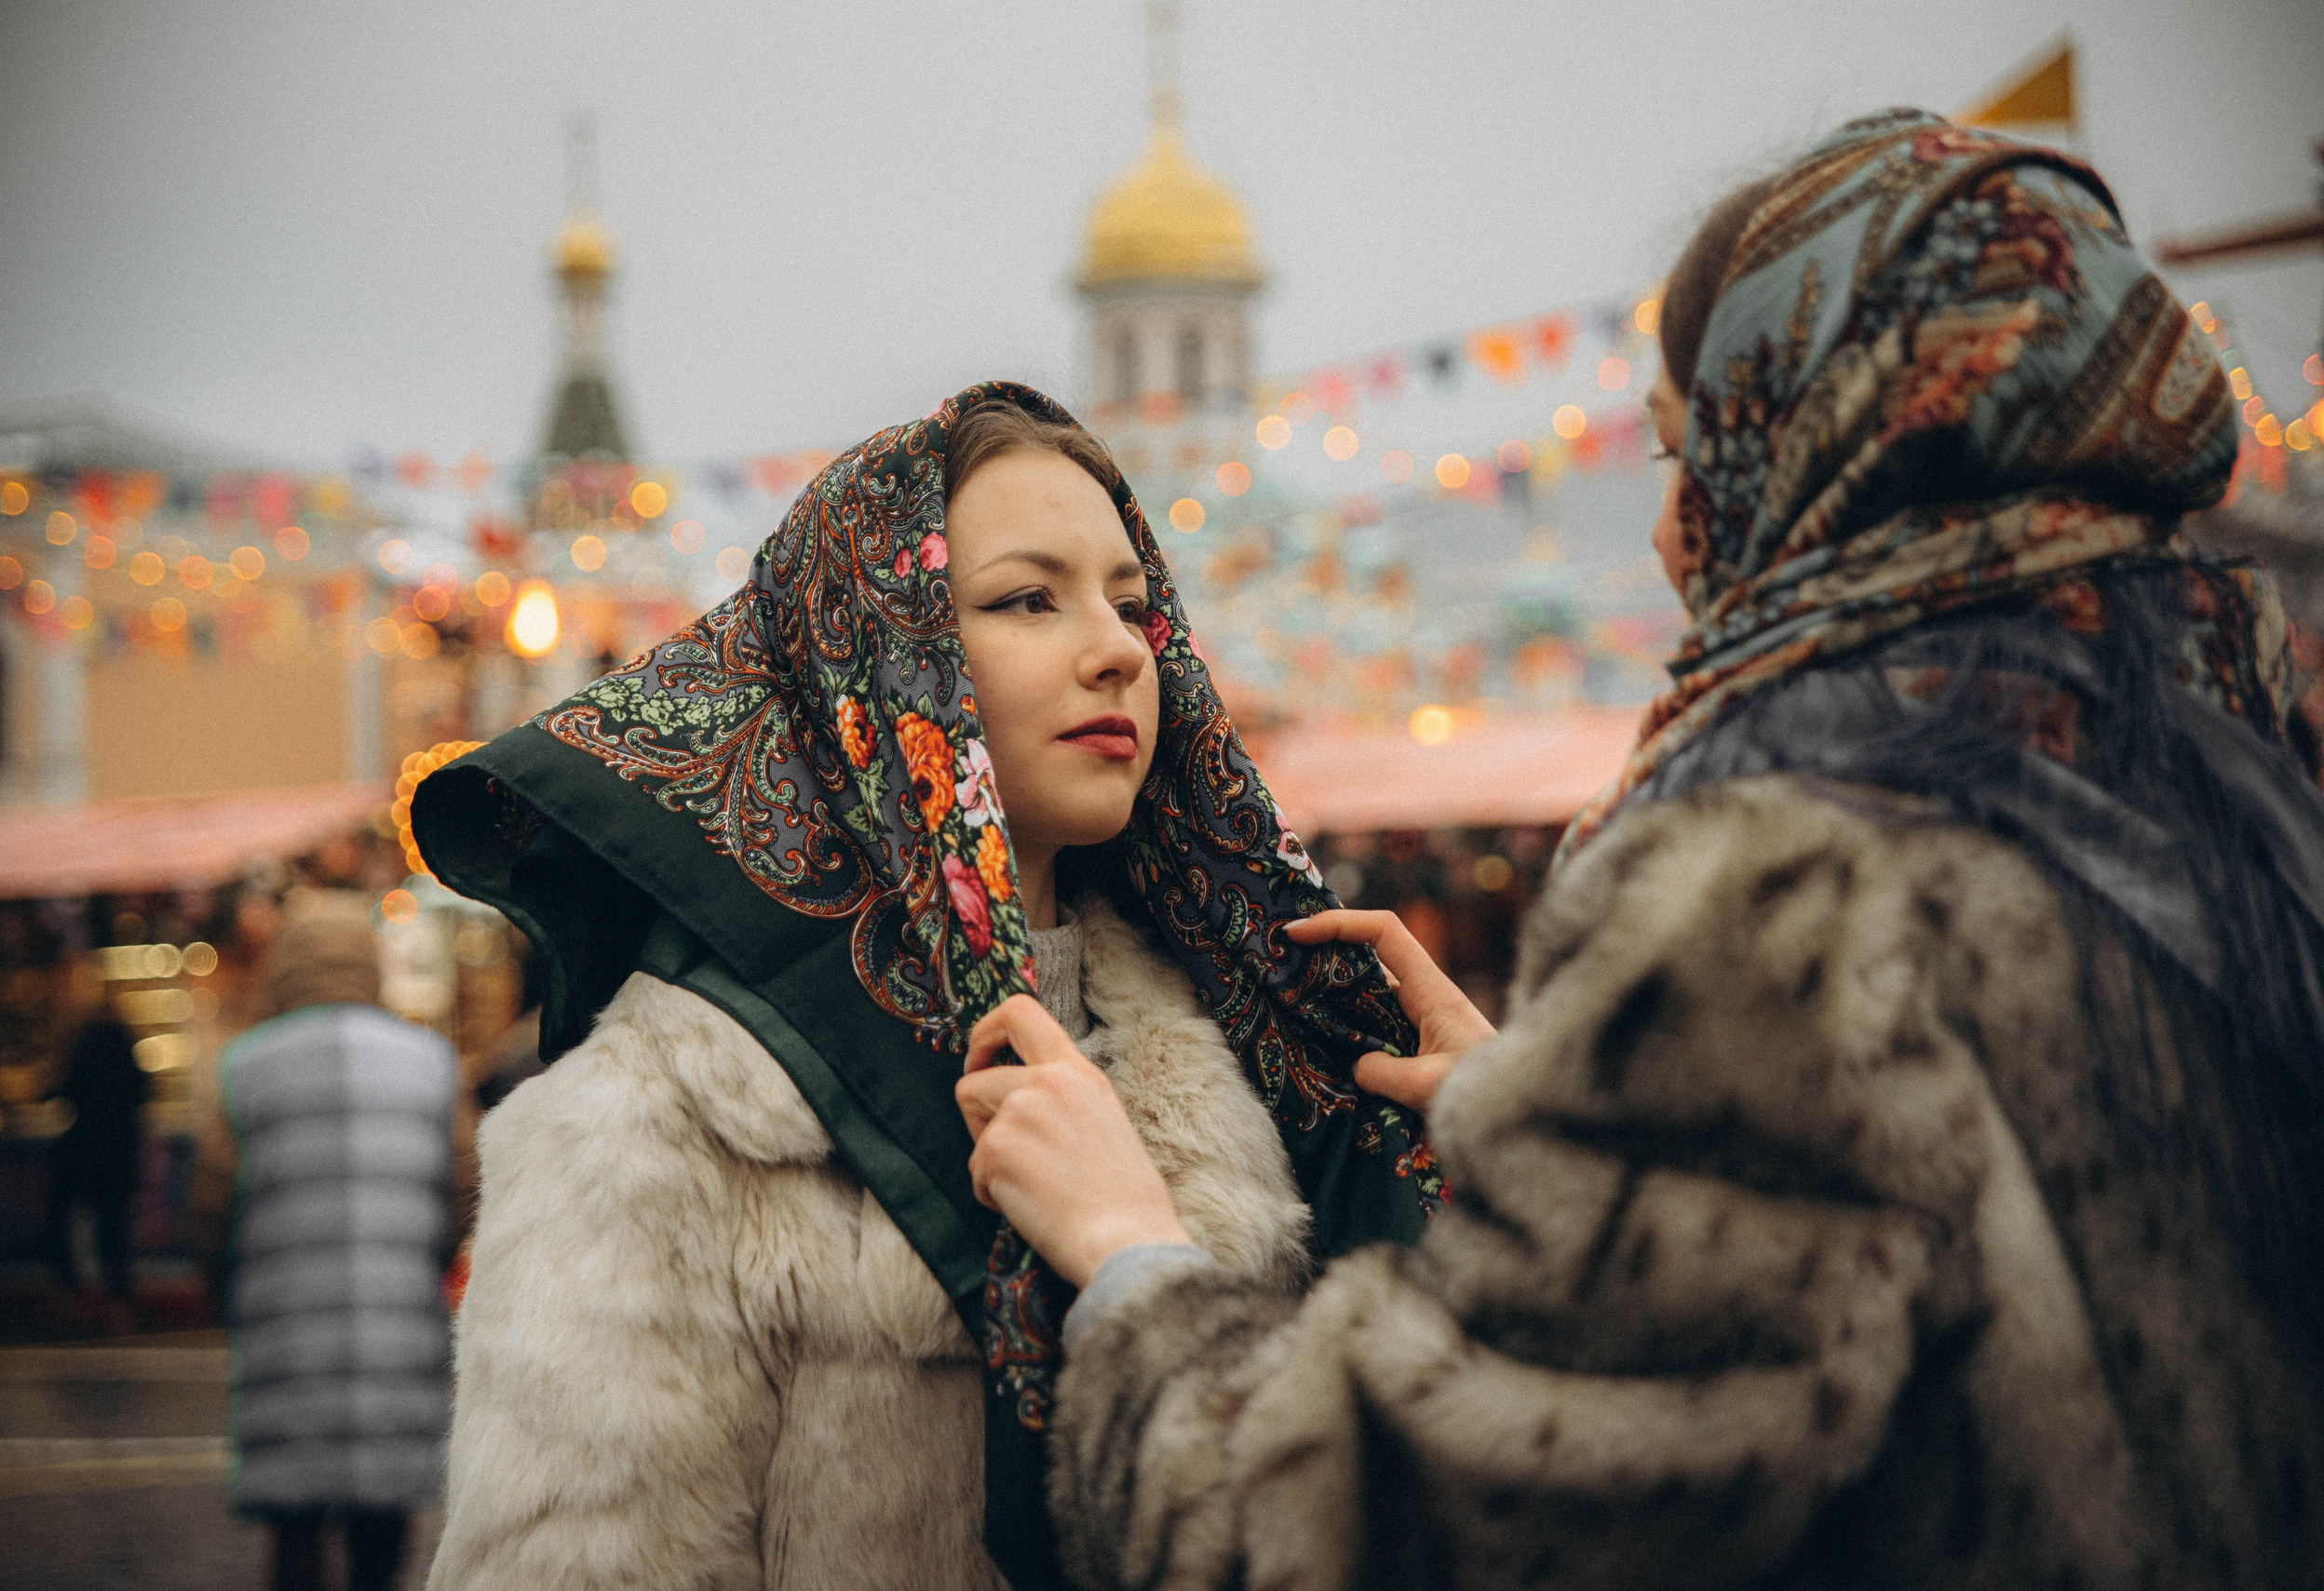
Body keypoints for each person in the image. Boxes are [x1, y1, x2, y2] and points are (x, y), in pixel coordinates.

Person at [959, 111, 2324, 1588]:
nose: (1671, 533)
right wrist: (1564, 1108)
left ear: (1823, 448)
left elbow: (1391, 1531)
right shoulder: (2244, 799)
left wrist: (1138, 1263)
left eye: (1689, 450)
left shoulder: (1791, 887)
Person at [410, 384, 1441, 1591]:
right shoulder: (667, 1106)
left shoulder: (1266, 1051)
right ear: (880, 655)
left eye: (1133, 600)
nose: (1118, 648)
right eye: (1026, 599)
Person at [190, 890, 470, 1591]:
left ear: (285, 965)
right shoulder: (431, 1062)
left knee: (294, 1520)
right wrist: (422, 1263)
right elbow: (467, 1188)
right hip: (398, 1324)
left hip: (286, 1327)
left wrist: (228, 1291)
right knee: (384, 1515)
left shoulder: (244, 1064)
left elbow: (210, 1203)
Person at [46, 992, 148, 1304]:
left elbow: (66, 1090)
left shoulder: (85, 1043)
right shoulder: (125, 1045)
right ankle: (118, 1291)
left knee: (63, 1217)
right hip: (120, 1149)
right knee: (113, 1225)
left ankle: (71, 1285)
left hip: (85, 1148)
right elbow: (142, 1092)